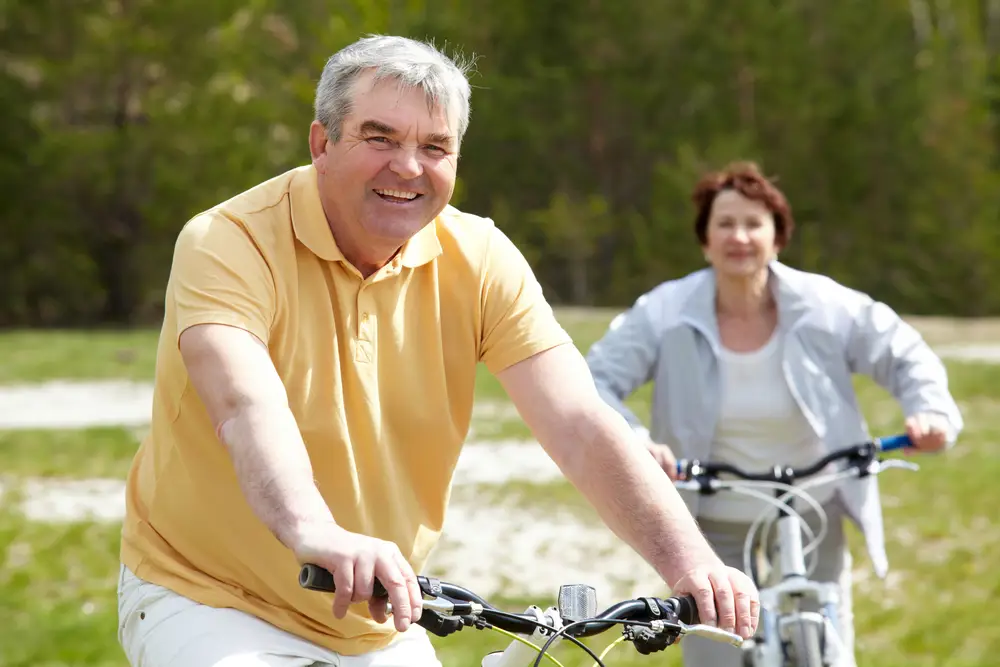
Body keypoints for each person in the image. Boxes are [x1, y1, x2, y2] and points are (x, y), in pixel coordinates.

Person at [115, 36, 760, 667]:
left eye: (434, 146)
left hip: (376, 613)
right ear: (322, 144)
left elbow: (579, 423)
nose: (408, 167)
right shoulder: (227, 241)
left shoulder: (478, 257)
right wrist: (316, 532)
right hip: (210, 600)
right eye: (380, 138)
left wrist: (692, 563)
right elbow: (244, 402)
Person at [584, 161, 963, 667]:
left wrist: (930, 411)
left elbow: (902, 351)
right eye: (724, 224)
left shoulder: (823, 304)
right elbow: (593, 379)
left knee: (827, 644)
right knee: (714, 649)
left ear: (778, 236)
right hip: (709, 512)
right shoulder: (665, 310)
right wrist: (636, 438)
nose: (739, 236)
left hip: (812, 504)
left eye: (753, 224)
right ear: (704, 240)